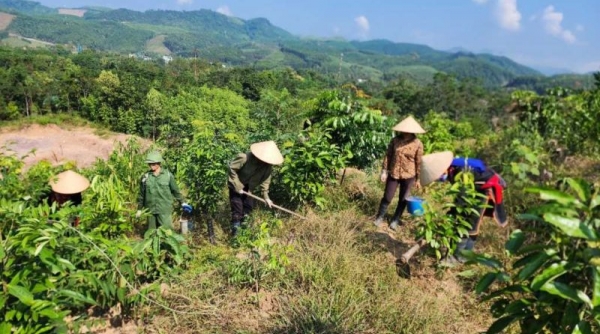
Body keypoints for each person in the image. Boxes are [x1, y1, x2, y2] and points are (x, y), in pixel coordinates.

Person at [441, 157, 508, 265]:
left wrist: (452, 214)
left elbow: (462, 197)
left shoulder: (460, 171)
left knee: (467, 222)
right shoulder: (454, 164)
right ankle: (465, 256)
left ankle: (456, 258)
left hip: (483, 190)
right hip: (476, 188)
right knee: (471, 223)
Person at [374, 116, 425, 231]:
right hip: (393, 173)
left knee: (403, 199)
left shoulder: (418, 144)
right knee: (387, 196)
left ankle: (395, 220)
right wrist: (384, 171)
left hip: (409, 175)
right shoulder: (395, 140)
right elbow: (388, 155)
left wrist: (418, 179)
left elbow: (419, 162)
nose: (404, 132)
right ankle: (380, 217)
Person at [228, 140, 284, 237]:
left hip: (249, 189)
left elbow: (266, 182)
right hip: (236, 184)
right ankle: (235, 237)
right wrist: (237, 186)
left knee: (248, 209)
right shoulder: (245, 158)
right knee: (237, 210)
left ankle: (244, 234)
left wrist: (266, 197)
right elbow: (231, 169)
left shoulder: (267, 167)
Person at [136, 151, 191, 230]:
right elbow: (141, 195)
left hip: (164, 209)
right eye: (149, 163)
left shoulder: (168, 176)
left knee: (167, 232)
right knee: (151, 234)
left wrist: (183, 202)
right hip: (150, 210)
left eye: (153, 163)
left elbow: (175, 191)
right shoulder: (145, 177)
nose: (151, 165)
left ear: (159, 163)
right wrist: (139, 209)